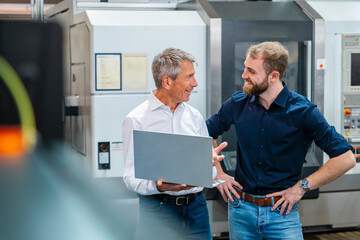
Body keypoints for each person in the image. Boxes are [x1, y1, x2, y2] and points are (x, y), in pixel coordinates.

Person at [206, 41, 356, 240]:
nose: (244, 76)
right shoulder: (237, 103)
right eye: (245, 68)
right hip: (241, 211)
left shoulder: (304, 111)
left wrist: (301, 187)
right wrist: (218, 174)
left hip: (283, 214)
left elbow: (346, 158)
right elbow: (204, 133)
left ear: (274, 76)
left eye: (251, 71)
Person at [122, 48, 227, 240]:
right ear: (167, 81)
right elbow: (130, 177)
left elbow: (210, 175)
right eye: (189, 77)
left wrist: (207, 165)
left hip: (197, 210)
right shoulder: (136, 120)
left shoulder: (194, 117)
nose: (195, 84)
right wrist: (158, 186)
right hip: (158, 211)